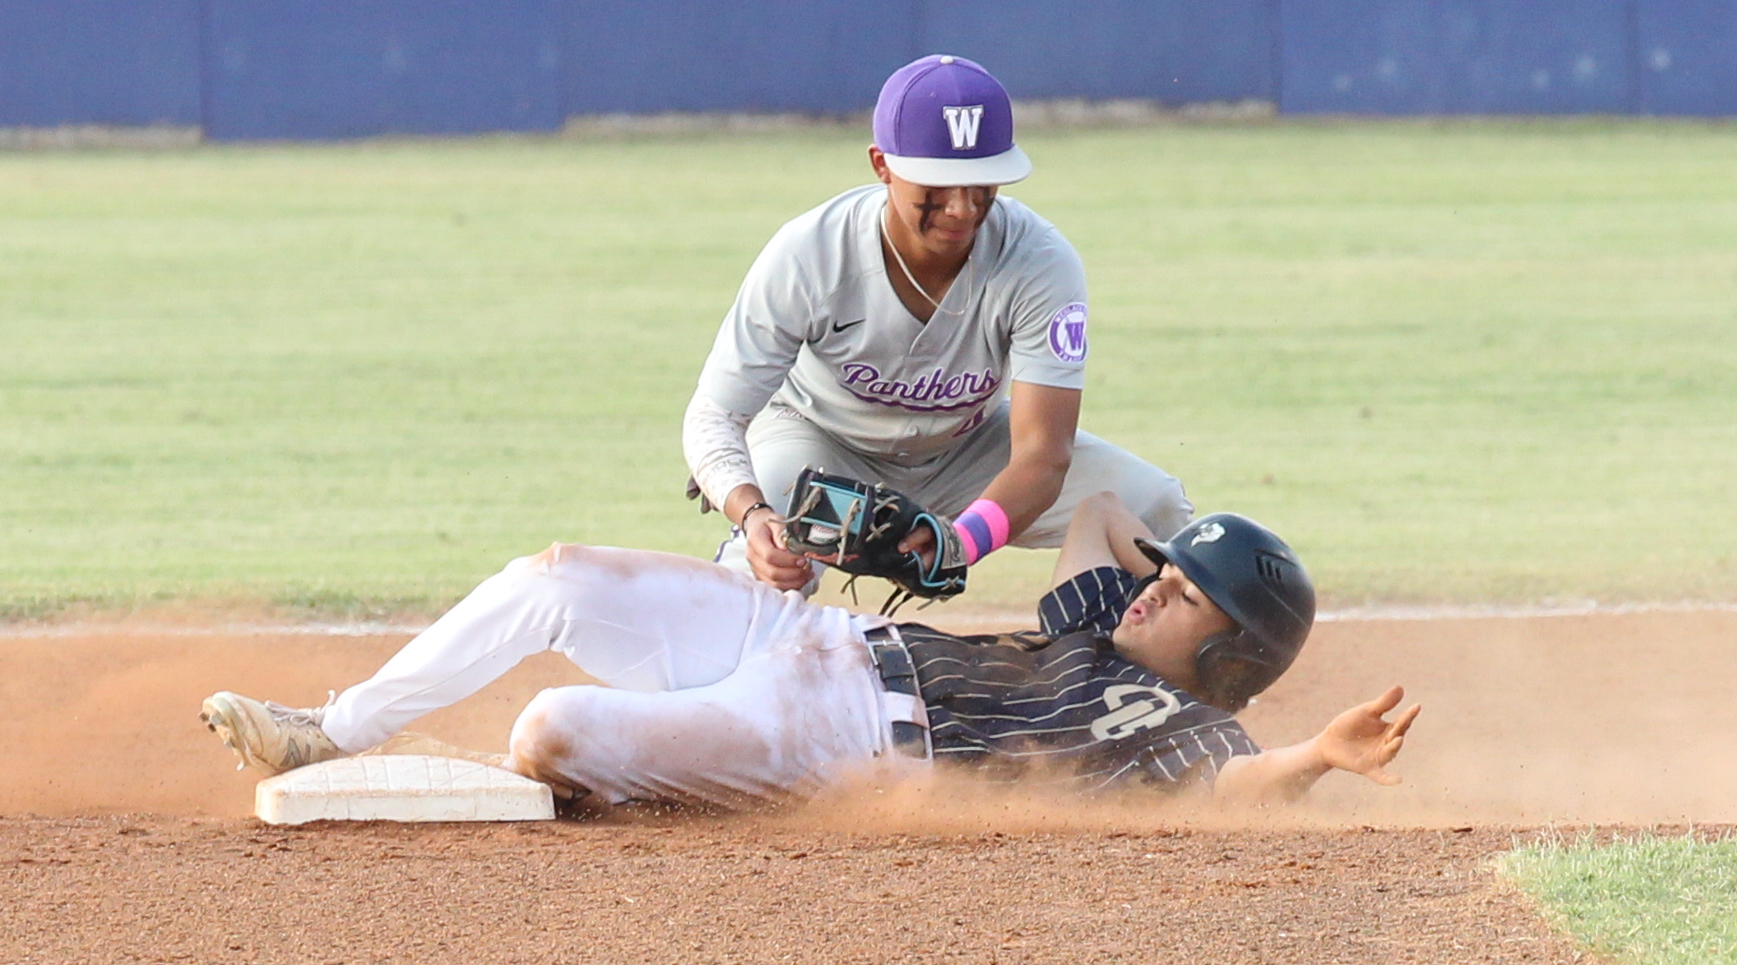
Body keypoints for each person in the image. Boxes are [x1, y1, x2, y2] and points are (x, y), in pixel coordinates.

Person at [201, 492, 1418, 810]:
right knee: (556, 575)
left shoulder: (1180, 725)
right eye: (1168, 572)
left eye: (1188, 592)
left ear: (1232, 659)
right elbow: (1099, 504)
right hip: (817, 629)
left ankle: (650, 783)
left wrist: (1314, 747)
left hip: (833, 738)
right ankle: (335, 725)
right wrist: (1167, 553)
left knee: (549, 733)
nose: (1156, 588)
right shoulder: (1097, 622)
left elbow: (1240, 783)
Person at [683, 54, 1194, 594]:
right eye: (937, 183)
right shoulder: (810, 254)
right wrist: (749, 509)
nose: (961, 208)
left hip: (966, 448)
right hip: (820, 443)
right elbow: (713, 416)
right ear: (882, 164)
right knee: (772, 559)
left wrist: (962, 540)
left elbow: (1044, 455)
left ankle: (1152, 670)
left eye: (981, 182)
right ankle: (732, 667)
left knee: (1156, 509)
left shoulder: (1039, 261)